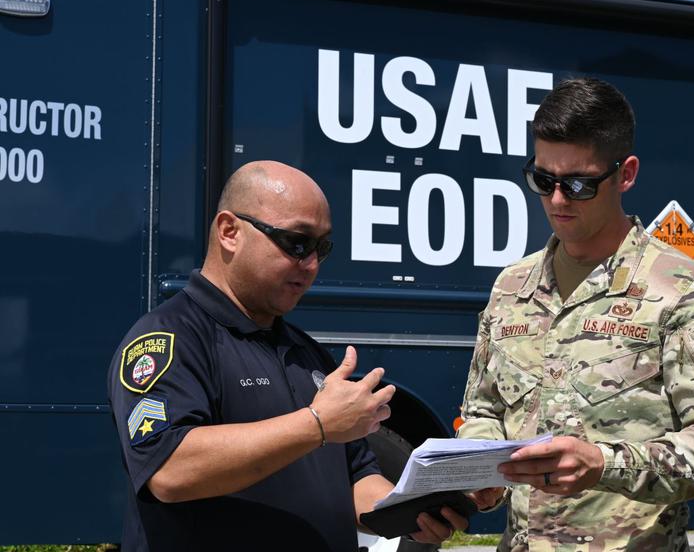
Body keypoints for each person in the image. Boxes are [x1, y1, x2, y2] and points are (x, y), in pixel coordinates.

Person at [108, 160, 467, 551]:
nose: (311, 264)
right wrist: (316, 424)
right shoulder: (170, 338)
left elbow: (357, 476)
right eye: (297, 242)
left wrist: (410, 511)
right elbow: (169, 470)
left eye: (322, 247)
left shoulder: (306, 352)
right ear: (230, 232)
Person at [459, 78, 694, 551]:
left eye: (578, 184)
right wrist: (480, 466)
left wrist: (604, 463)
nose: (557, 200)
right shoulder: (511, 288)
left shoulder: (682, 292)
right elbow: (483, 408)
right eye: (543, 179)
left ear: (626, 174)